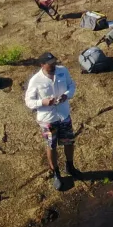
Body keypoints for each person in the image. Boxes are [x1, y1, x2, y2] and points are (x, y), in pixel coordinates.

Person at [24, 52, 77, 191]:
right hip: (48, 120)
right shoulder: (36, 80)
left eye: (54, 63)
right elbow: (28, 101)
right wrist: (43, 102)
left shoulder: (63, 71)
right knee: (51, 145)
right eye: (50, 64)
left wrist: (66, 95)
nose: (53, 65)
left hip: (64, 115)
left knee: (68, 142)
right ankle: (56, 173)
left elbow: (72, 86)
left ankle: (70, 166)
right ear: (42, 64)